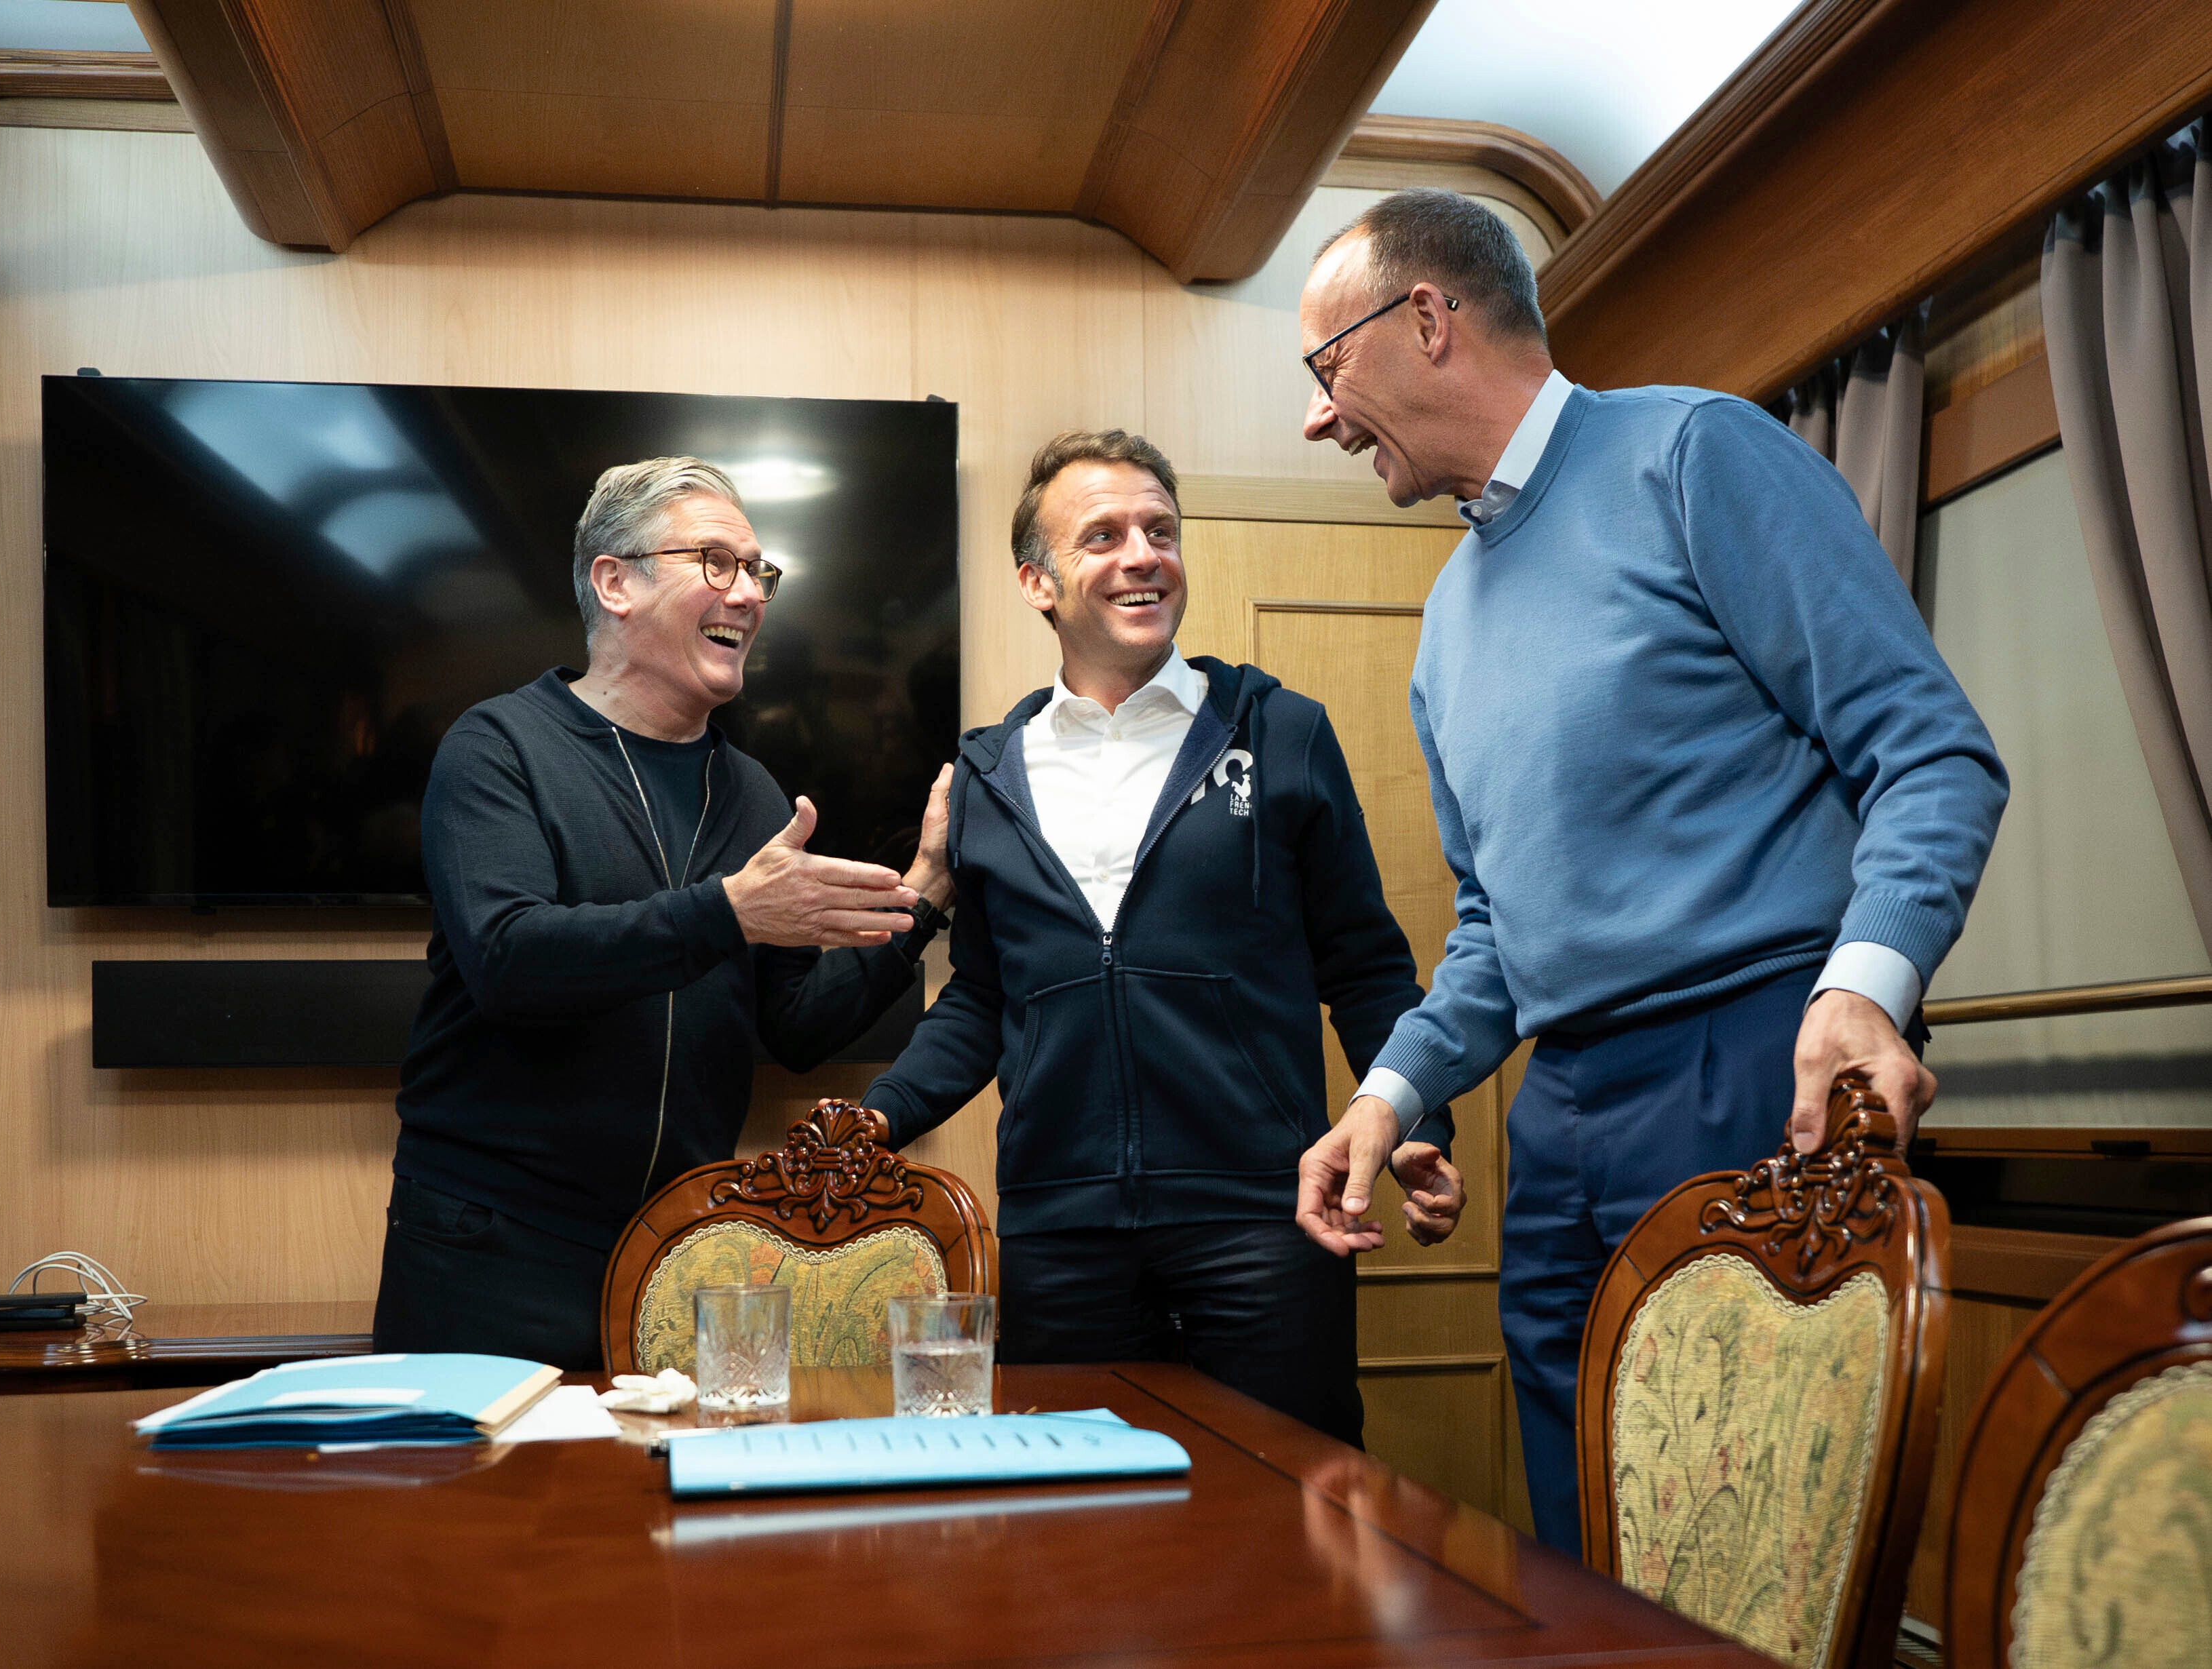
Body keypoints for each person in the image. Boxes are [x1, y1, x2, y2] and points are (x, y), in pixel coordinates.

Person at [1288, 191, 2009, 1550]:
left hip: (1753, 1063)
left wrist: (1861, 992)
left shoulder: (1693, 454)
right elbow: (1498, 928)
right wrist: (1389, 1096)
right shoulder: (1445, 621)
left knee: (1753, 1541)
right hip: (1558, 1110)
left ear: (1427, 319)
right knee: (1588, 1543)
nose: (1318, 417)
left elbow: (1928, 753)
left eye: (1326, 369)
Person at [860, 429, 1449, 1445]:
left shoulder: (1280, 730)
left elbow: (1363, 961)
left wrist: (1409, 1116)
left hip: (1265, 1220)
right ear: (1037, 582)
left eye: (1160, 531)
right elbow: (986, 999)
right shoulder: (989, 774)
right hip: (1060, 1236)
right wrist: (875, 1119)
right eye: (1103, 536)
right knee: (1081, 1540)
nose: (1143, 554)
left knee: (1291, 1517)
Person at [374, 456, 956, 1369]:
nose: (749, 595)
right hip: (489, 1247)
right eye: (716, 562)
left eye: (758, 571)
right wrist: (728, 912)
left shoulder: (753, 791)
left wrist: (922, 893)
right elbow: (509, 961)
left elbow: (798, 1025)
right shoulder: (499, 748)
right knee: (480, 1515)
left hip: (678, 1250)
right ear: (616, 582)